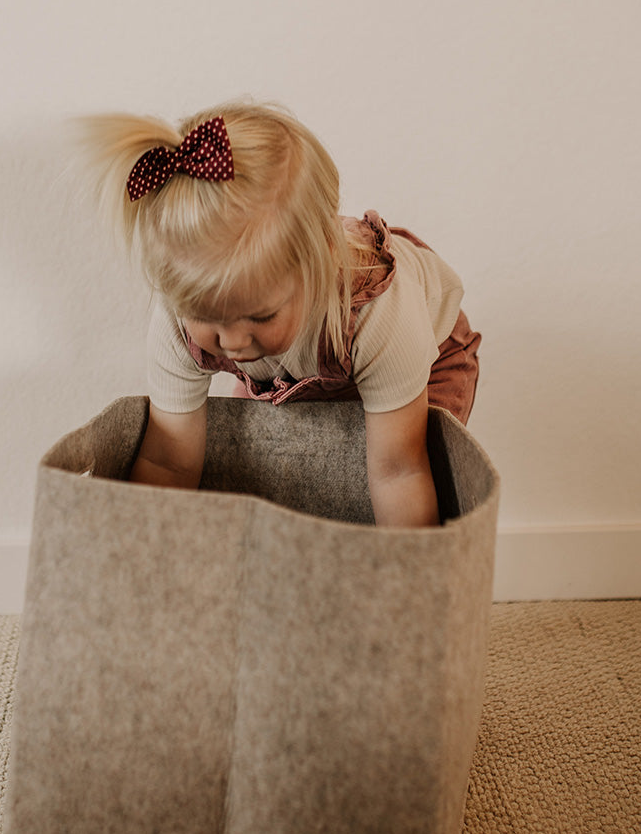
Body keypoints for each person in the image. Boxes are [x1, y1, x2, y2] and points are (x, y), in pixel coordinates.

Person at [82, 101, 479, 527]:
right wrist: (141, 547)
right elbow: (169, 460)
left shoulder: (380, 315)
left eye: (260, 316)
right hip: (281, 374)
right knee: (260, 479)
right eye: (205, 316)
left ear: (322, 264)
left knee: (378, 486)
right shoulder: (179, 323)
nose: (232, 342)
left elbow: (399, 472)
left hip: (427, 360)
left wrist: (406, 567)